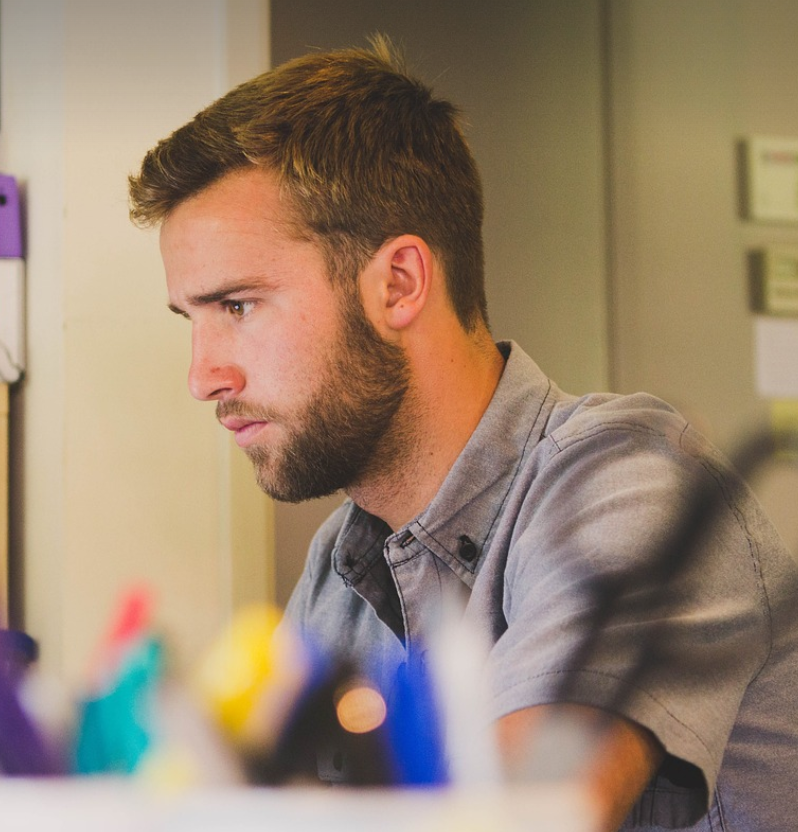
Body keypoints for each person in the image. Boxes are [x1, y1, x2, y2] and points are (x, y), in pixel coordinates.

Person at [128, 36, 798, 831]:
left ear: (400, 283)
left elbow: (527, 815)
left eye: (237, 306)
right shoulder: (339, 569)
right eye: (191, 320)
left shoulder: (634, 480)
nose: (204, 376)